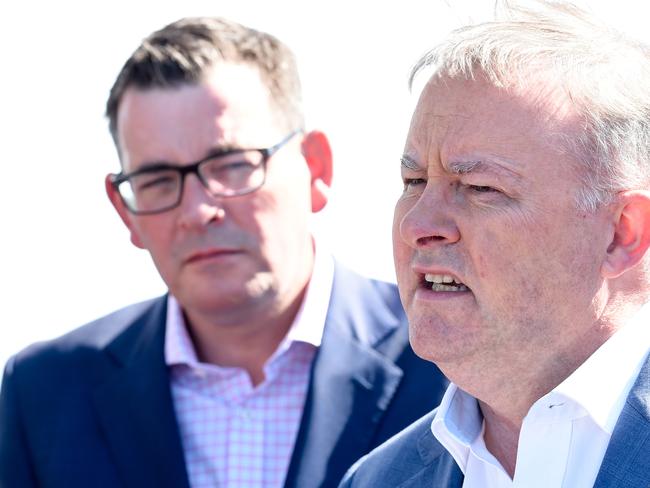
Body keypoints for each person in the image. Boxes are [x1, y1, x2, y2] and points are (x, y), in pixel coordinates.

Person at [0, 17, 448, 488]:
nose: (196, 210)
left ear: (315, 169)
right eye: (156, 181)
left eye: (232, 165)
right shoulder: (45, 393)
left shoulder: (447, 361)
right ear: (125, 211)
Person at [340, 2, 650, 487]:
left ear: (621, 233)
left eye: (481, 188)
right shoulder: (380, 479)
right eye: (414, 180)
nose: (418, 224)